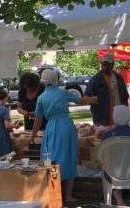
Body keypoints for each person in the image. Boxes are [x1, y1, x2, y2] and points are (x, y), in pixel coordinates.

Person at [31, 68, 97, 202]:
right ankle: (68, 196)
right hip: (66, 126)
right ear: (56, 79)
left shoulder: (41, 97)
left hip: (51, 128)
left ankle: (54, 194)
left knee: (50, 159)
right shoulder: (62, 93)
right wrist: (94, 99)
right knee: (69, 157)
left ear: (43, 81)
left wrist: (33, 136)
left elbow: (38, 120)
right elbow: (81, 101)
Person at [84, 53, 129, 126]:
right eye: (103, 65)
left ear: (112, 65)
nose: (105, 67)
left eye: (107, 65)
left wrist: (125, 112)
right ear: (101, 64)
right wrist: (90, 99)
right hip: (102, 119)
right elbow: (86, 96)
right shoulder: (95, 80)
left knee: (120, 136)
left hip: (119, 117)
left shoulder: (119, 78)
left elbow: (125, 97)